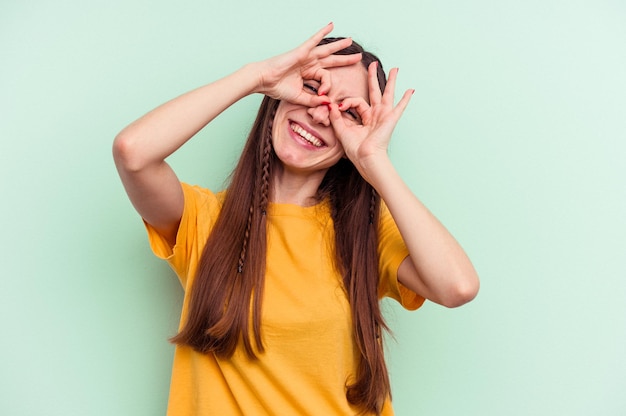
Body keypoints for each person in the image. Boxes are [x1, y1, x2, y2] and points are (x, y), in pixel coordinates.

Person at [113, 22, 479, 416]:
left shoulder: (366, 234)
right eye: (313, 89)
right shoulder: (205, 220)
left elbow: (457, 286)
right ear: (281, 94)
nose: (323, 115)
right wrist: (256, 77)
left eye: (347, 112)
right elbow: (133, 152)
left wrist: (374, 160)